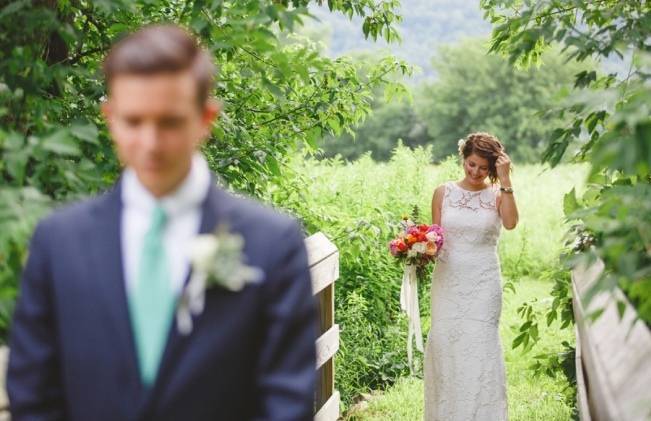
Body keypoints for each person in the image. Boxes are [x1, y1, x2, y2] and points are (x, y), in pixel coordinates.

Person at [7, 24, 317, 421]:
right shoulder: (59, 243)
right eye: (133, 122)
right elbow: (34, 398)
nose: (150, 144)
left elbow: (286, 403)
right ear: (110, 117)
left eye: (169, 122)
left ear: (205, 118)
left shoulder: (273, 244)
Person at [424, 132, 519, 420]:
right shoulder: (443, 192)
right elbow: (435, 238)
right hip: (448, 282)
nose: (476, 172)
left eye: (484, 168)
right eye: (471, 165)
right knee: (445, 343)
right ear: (463, 159)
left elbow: (512, 224)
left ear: (493, 168)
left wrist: (505, 181)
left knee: (480, 347)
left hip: (483, 282)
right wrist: (416, 250)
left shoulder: (497, 195)